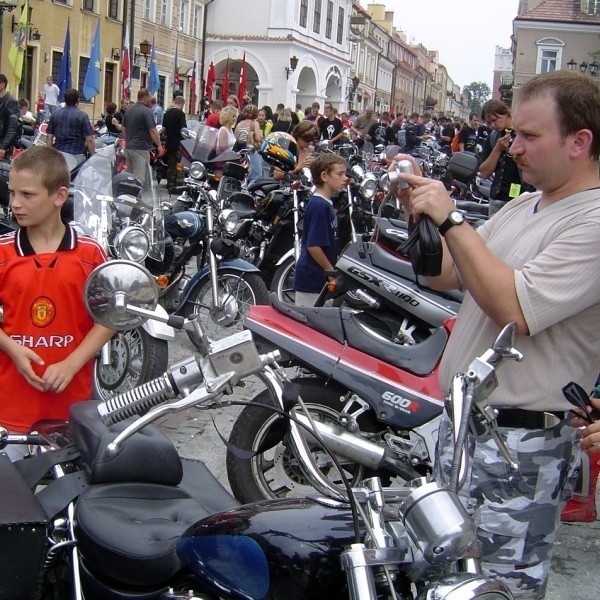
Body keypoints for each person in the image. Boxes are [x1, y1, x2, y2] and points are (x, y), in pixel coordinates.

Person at [393, 70, 600, 599]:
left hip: (519, 445)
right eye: (515, 134)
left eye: (530, 136)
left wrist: (451, 216)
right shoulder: (522, 205)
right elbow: (447, 273)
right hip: (467, 431)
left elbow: (514, 307)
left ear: (580, 143)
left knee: (496, 586)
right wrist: (416, 207)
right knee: (446, 581)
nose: (514, 146)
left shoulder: (592, 221)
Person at [0, 146, 114, 456]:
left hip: (73, 405)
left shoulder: (89, 254)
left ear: (59, 196)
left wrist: (71, 363)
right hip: (12, 408)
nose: (15, 204)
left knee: (70, 494)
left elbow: (110, 317)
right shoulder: (4, 252)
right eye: (11, 193)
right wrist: (12, 348)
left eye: (27, 194)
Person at [293, 153, 346, 307]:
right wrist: (330, 272)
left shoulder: (327, 204)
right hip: (312, 280)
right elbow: (313, 246)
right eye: (340, 174)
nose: (345, 179)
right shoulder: (319, 206)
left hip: (319, 280)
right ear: (324, 176)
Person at [480, 99, 534, 216]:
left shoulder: (523, 134)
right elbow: (484, 173)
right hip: (497, 197)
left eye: (495, 120)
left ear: (506, 113)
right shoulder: (492, 138)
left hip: (522, 198)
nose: (492, 125)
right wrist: (497, 149)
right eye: (488, 123)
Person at [46, 88, 95, 172]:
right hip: (76, 156)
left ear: (65, 100)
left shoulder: (55, 114)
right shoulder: (82, 116)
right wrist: (94, 156)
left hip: (58, 155)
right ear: (78, 100)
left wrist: (49, 154)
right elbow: (89, 139)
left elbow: (49, 137)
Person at [122, 88, 164, 185]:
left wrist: (128, 140)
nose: (150, 99)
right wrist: (159, 145)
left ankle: (127, 195)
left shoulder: (129, 110)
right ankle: (136, 198)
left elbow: (123, 129)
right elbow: (153, 130)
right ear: (145, 98)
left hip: (129, 148)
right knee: (139, 177)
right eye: (149, 97)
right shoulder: (147, 111)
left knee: (130, 174)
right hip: (141, 148)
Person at [162, 95, 187, 194]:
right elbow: (183, 129)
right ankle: (178, 185)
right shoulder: (180, 114)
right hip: (179, 144)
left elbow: (163, 128)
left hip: (169, 143)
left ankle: (170, 185)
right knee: (179, 165)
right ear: (181, 104)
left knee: (170, 166)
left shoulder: (167, 113)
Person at [0, 74, 21, 160]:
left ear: (2, 85)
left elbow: (12, 128)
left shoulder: (11, 102)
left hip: (2, 146)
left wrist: (3, 147)